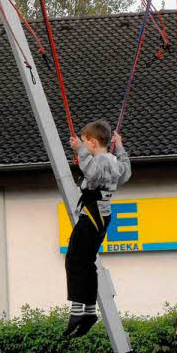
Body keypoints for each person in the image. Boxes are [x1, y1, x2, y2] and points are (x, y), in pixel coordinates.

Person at [63, 120, 131, 338]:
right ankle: (89, 310)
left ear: (92, 142)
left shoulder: (100, 161)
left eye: (85, 142)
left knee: (74, 259)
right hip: (102, 214)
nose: (83, 145)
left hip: (93, 214)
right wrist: (119, 147)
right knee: (86, 262)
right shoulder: (112, 161)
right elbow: (126, 171)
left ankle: (77, 310)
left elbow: (91, 173)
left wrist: (80, 151)